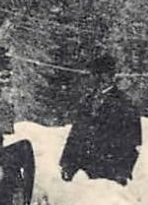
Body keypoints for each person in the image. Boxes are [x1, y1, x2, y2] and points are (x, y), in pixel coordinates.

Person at [59, 51, 142, 185]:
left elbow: (132, 142)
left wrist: (122, 172)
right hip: (84, 175)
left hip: (110, 175)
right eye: (94, 75)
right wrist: (67, 163)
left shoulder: (124, 104)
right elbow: (75, 135)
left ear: (110, 77)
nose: (96, 80)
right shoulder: (87, 101)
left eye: (101, 75)